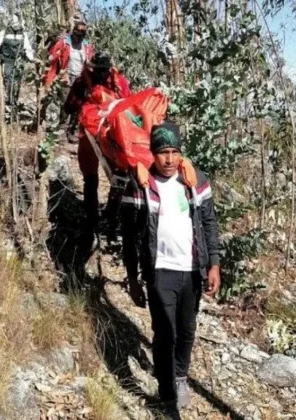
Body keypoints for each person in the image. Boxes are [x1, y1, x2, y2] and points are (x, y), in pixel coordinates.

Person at [121, 122, 221, 420]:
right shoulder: (140, 185)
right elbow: (128, 235)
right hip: (159, 271)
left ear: (181, 154)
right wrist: (133, 279)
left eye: (174, 152)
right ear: (152, 153)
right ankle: (167, 399)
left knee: (187, 331)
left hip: (191, 270)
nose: (169, 159)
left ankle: (179, 376)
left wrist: (213, 263)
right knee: (165, 332)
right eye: (163, 152)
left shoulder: (195, 181)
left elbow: (209, 223)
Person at [69, 52, 131, 237]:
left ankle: (98, 217)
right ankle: (103, 216)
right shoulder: (117, 82)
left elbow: (70, 105)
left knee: (94, 177)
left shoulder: (113, 83)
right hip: (106, 135)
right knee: (111, 174)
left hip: (101, 134)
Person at [43, 20, 94, 128]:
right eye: (77, 33)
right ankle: (61, 129)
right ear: (74, 32)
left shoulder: (86, 46)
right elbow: (53, 58)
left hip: (80, 78)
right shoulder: (64, 42)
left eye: (82, 34)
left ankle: (72, 130)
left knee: (78, 105)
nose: (79, 37)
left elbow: (89, 62)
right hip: (66, 76)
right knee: (66, 104)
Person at [0, 15, 34, 109]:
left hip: (19, 62)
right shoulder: (3, 33)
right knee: (7, 80)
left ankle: (14, 102)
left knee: (17, 82)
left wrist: (32, 59)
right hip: (7, 61)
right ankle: (6, 102)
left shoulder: (23, 34)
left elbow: (27, 48)